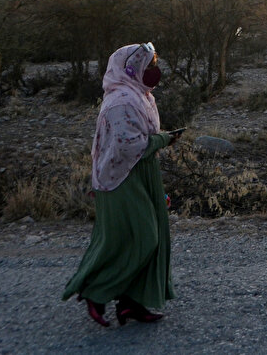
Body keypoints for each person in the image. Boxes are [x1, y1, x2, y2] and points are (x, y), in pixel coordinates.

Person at [63, 42, 183, 326]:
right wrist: (165, 139)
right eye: (149, 65)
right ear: (131, 68)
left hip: (142, 172)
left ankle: (132, 303)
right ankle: (97, 291)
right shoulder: (121, 101)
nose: (154, 70)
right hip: (121, 177)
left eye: (154, 64)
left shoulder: (142, 96)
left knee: (154, 240)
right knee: (143, 237)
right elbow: (129, 145)